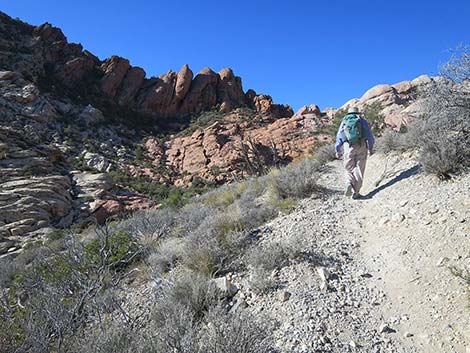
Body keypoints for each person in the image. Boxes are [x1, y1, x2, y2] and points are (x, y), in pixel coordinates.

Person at [335, 107, 374, 199]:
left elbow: (339, 136)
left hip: (348, 146)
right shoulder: (362, 120)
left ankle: (349, 184)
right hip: (361, 145)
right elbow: (369, 135)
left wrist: (337, 150)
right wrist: (371, 148)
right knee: (359, 169)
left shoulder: (344, 121)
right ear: (358, 112)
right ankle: (356, 192)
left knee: (348, 168)